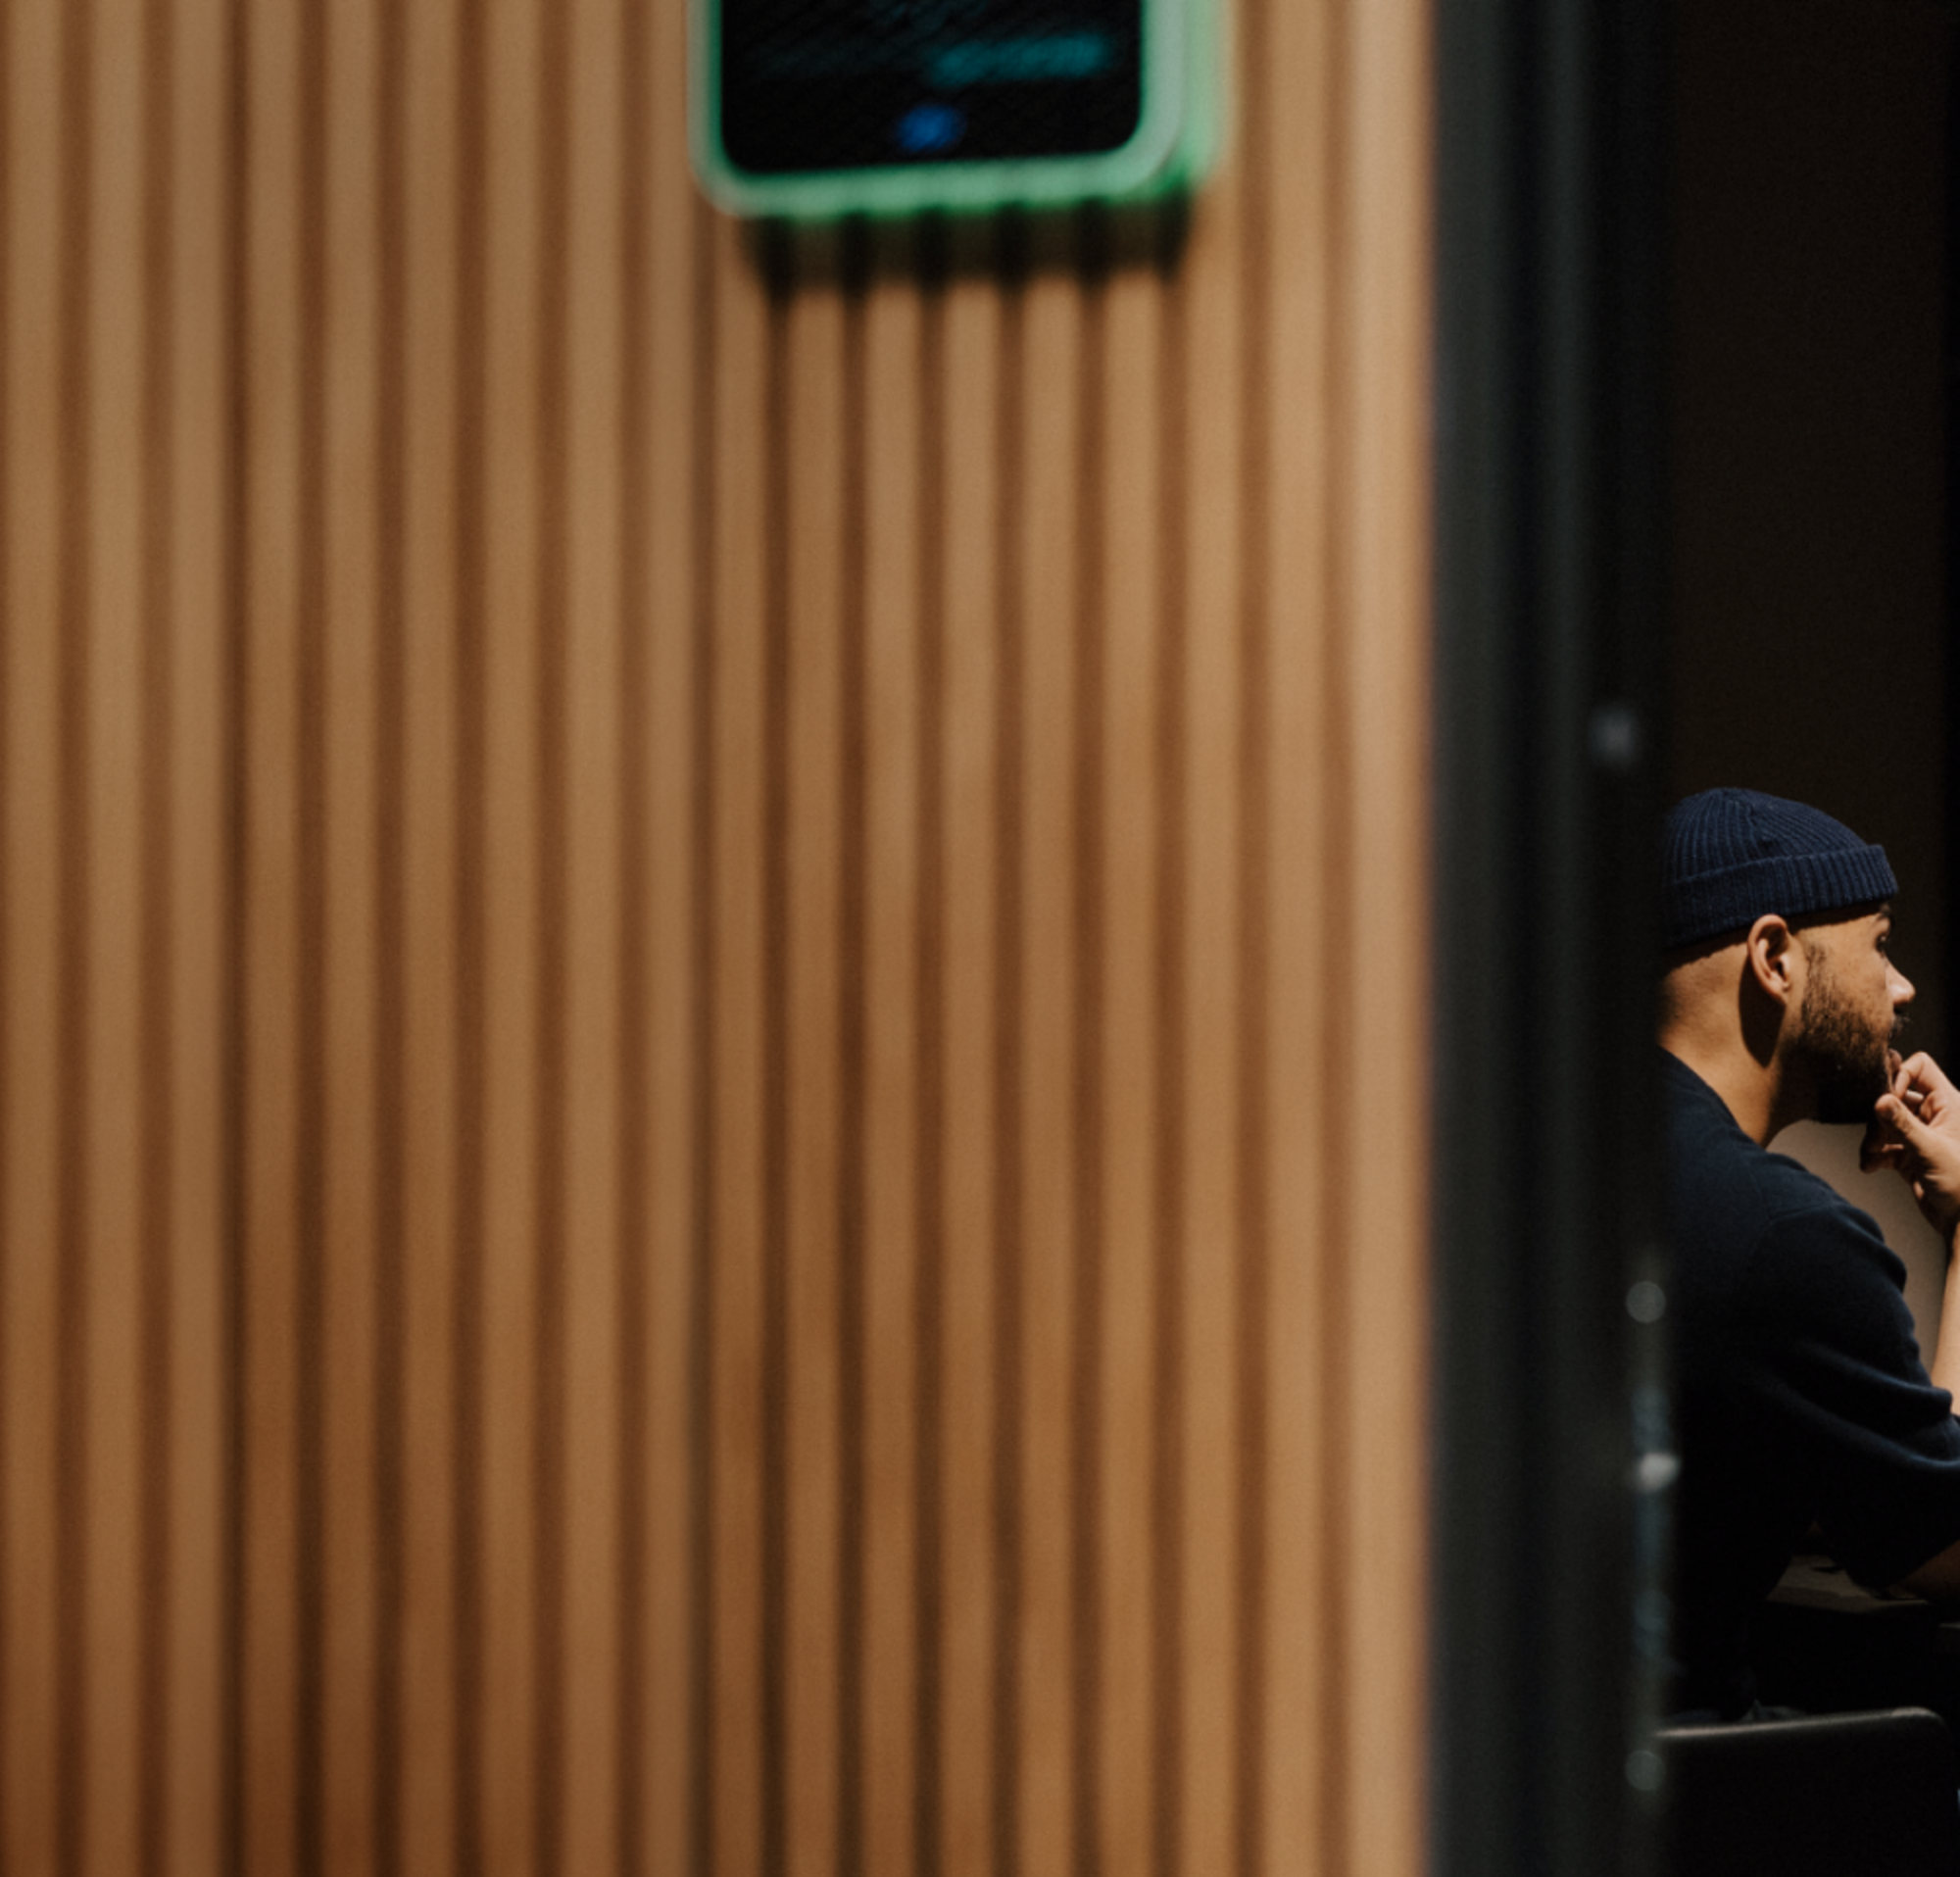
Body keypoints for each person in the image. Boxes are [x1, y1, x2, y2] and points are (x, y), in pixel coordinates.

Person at [1659, 787, 1960, 1720]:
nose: (1901, 986)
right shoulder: (1779, 1235)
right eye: (1878, 942)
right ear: (1775, 957)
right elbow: (1943, 1548)